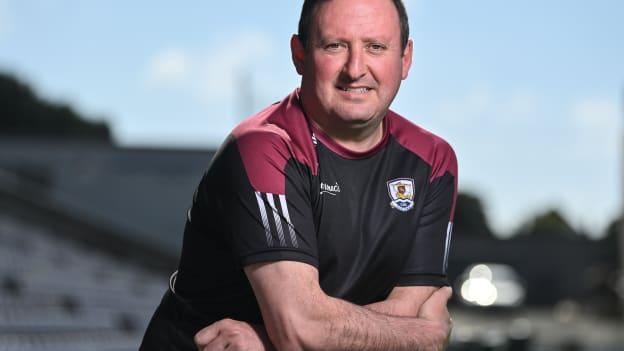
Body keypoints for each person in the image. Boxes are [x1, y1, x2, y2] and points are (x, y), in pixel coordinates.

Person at [140, 0, 458, 350]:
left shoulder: (432, 161)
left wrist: (267, 339)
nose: (355, 68)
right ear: (300, 55)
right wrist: (424, 337)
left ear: (406, 59)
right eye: (335, 45)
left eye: (376, 47)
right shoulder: (264, 148)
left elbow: (405, 309)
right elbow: (300, 328)